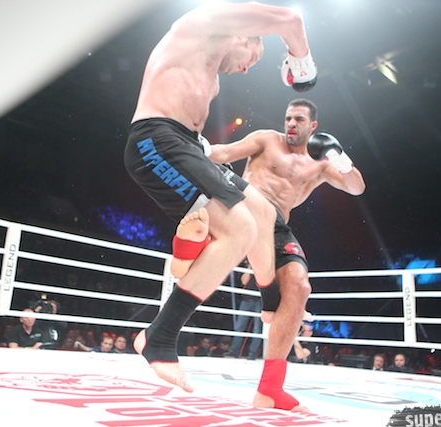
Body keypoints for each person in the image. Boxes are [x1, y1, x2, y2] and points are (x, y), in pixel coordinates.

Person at [124, 2, 317, 410]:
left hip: (186, 145)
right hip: (155, 141)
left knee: (262, 211)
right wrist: (301, 62)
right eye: (253, 57)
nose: (246, 69)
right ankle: (159, 336)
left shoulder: (209, 75)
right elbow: (290, 18)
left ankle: (268, 300)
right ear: (242, 37)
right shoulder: (202, 23)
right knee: (239, 227)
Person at [209, 98, 365, 409]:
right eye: (288, 118)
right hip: (244, 211)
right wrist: (190, 146)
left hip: (276, 226)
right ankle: (161, 334)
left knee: (299, 286)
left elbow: (356, 187)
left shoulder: (320, 163)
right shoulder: (267, 139)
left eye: (299, 119)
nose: (291, 124)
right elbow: (223, 153)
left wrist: (341, 159)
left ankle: (269, 389)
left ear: (313, 126)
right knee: (205, 256)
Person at [225, 265, 263, 360]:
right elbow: (244, 281)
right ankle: (234, 351)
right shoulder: (250, 269)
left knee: (257, 328)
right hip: (247, 299)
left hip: (259, 300)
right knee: (239, 326)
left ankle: (252, 353)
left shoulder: (263, 269)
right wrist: (249, 268)